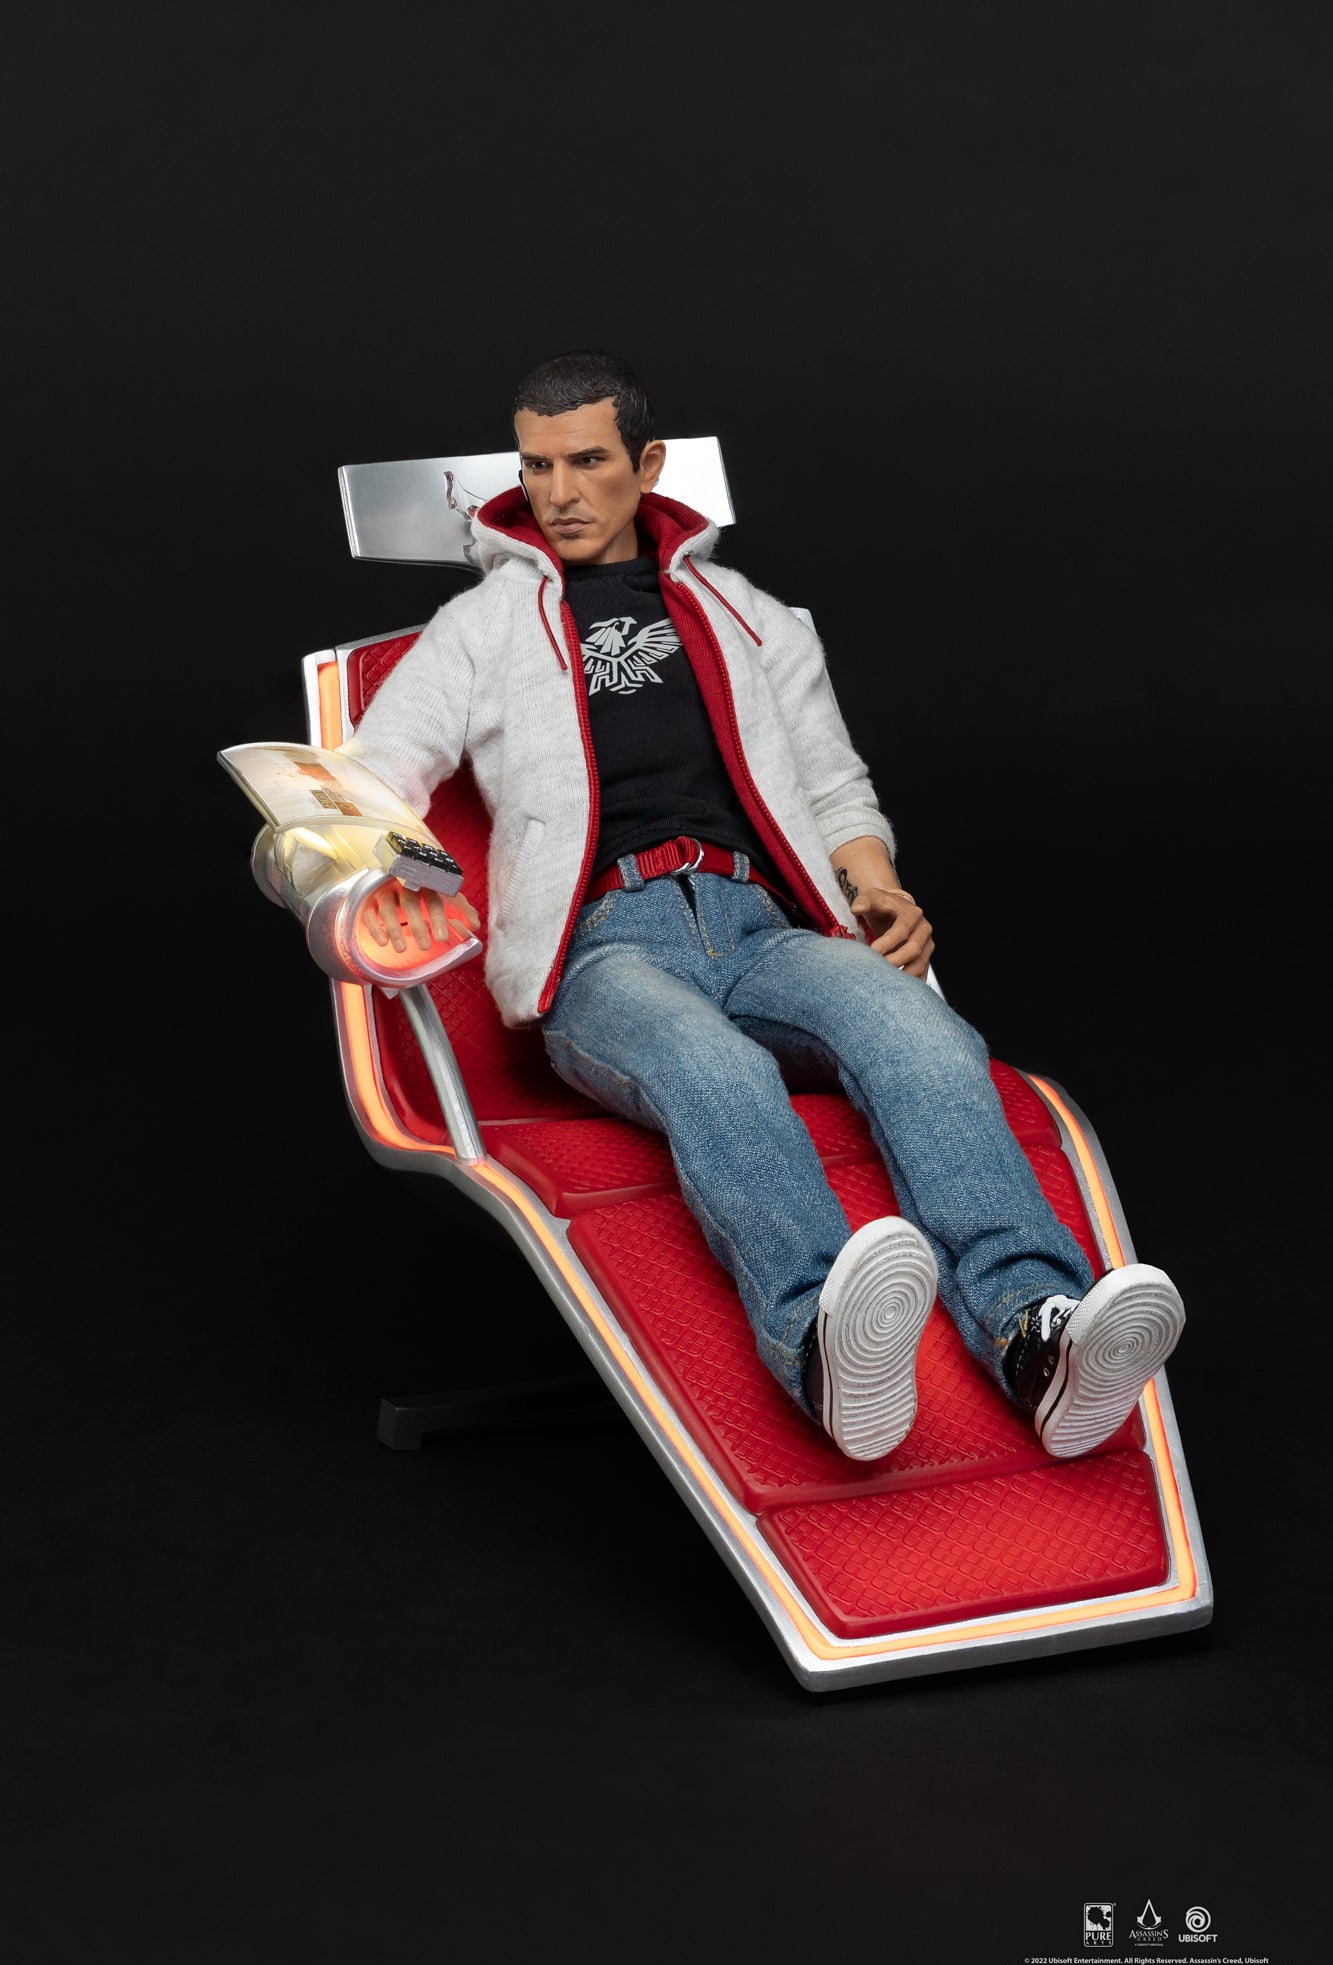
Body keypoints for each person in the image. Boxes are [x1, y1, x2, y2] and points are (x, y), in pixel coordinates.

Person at [344, 351, 1185, 1463]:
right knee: (716, 1070)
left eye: (587, 461)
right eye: (537, 466)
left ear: (646, 465)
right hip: (603, 950)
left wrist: (875, 883)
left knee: (924, 1034)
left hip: (764, 930)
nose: (559, 492)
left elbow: (835, 788)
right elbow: (374, 778)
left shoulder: (754, 618)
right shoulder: (481, 625)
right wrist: (386, 877)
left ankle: (1038, 1333)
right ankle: (823, 1349)